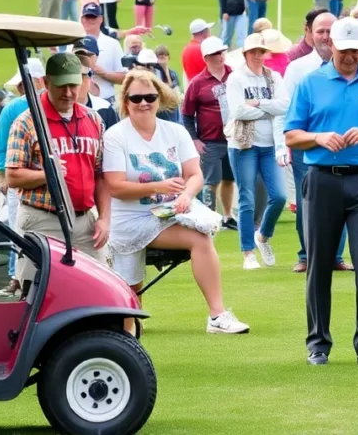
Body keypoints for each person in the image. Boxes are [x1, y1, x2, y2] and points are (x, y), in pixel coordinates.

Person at [285, 17, 358, 366]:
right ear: (330, 46)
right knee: (319, 262)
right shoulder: (311, 83)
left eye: (355, 50)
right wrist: (318, 137)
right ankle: (318, 344)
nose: (350, 56)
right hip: (322, 179)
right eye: (344, 49)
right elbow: (292, 135)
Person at [103, 69, 250, 334]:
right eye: (136, 98)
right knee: (130, 297)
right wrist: (160, 186)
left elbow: (195, 175)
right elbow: (115, 187)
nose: (144, 103)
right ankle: (127, 319)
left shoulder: (175, 131)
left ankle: (217, 315)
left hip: (171, 210)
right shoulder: (116, 136)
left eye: (150, 96)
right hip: (131, 218)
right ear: (126, 101)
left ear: (159, 98)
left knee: (200, 237)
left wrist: (185, 195)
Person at [6, 53, 110, 291]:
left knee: (101, 291)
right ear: (46, 82)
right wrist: (46, 175)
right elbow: (12, 177)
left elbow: (101, 175)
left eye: (73, 85)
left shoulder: (93, 119)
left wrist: (104, 218)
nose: (68, 93)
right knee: (38, 293)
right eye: (62, 86)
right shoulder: (27, 122)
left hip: (86, 222)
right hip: (42, 219)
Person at [282, 12, 351, 273]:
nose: (324, 36)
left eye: (329, 31)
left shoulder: (350, 70)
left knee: (343, 199)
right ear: (309, 32)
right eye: (320, 31)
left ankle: (336, 255)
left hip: (343, 145)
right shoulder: (297, 68)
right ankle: (306, 254)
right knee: (307, 201)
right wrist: (284, 146)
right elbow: (285, 112)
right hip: (307, 146)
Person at [224, 33, 289, 270]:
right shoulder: (236, 78)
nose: (258, 56)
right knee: (247, 198)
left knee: (280, 195)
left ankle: (262, 236)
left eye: (261, 52)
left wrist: (260, 104)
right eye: (254, 52)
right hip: (243, 145)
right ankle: (247, 253)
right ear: (245, 54)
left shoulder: (274, 77)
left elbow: (284, 106)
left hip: (269, 144)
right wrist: (269, 110)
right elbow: (237, 111)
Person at [0, 58, 46, 298]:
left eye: (28, 84)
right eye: (22, 85)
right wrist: (3, 177)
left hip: (49, 179)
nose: (23, 89)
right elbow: (1, 148)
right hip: (20, 178)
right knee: (18, 228)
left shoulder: (52, 106)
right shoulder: (12, 109)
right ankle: (17, 277)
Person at [181, 36, 237, 230]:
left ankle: (228, 216)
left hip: (234, 138)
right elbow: (187, 115)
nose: (220, 57)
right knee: (210, 182)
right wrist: (194, 140)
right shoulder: (197, 83)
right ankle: (210, 217)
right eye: (215, 54)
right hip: (210, 140)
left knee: (229, 179)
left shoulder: (235, 76)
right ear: (206, 58)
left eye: (221, 52)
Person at [80, 3, 125, 104]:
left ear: (100, 19)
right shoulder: (72, 43)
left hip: (106, 99)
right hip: (80, 101)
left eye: (93, 17)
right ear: (82, 19)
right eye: (87, 17)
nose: (90, 20)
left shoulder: (112, 44)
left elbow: (123, 78)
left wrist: (104, 74)